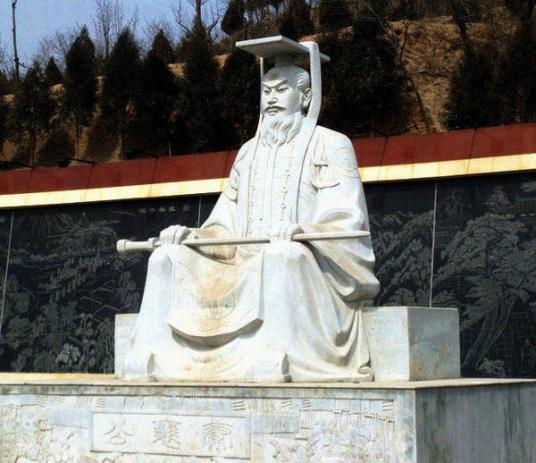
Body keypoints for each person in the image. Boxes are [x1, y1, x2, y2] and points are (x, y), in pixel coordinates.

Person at [122, 46, 379, 382]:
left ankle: (278, 355)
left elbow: (345, 220)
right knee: (166, 257)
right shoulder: (247, 153)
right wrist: (192, 236)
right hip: (239, 264)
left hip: (304, 264)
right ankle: (156, 356)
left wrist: (303, 232)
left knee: (281, 256)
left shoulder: (331, 144)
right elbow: (223, 229)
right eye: (266, 91)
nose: (271, 99)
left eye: (282, 90)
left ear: (305, 97)